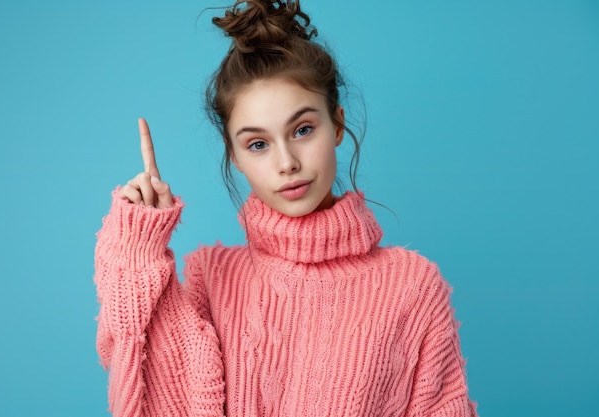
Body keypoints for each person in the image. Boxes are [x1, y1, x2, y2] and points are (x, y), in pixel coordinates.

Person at [94, 1, 478, 416]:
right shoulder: (212, 277)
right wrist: (137, 247)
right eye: (257, 144)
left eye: (302, 129)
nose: (286, 163)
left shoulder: (412, 286)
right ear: (236, 157)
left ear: (338, 125)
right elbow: (158, 398)